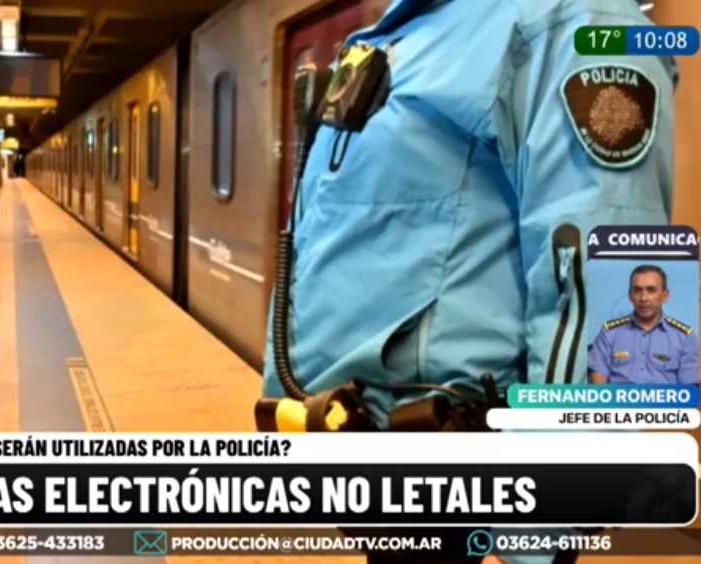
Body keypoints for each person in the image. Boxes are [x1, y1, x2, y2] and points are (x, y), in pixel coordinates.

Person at [262, 0, 678, 562]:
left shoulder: (573, 23)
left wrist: (546, 518)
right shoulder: (408, 30)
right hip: (366, 444)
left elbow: (605, 270)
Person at [588, 265, 698, 385]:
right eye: (637, 290)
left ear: (665, 296)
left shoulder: (685, 338)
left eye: (651, 290)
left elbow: (690, 389)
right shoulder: (609, 334)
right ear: (630, 296)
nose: (644, 298)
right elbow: (597, 378)